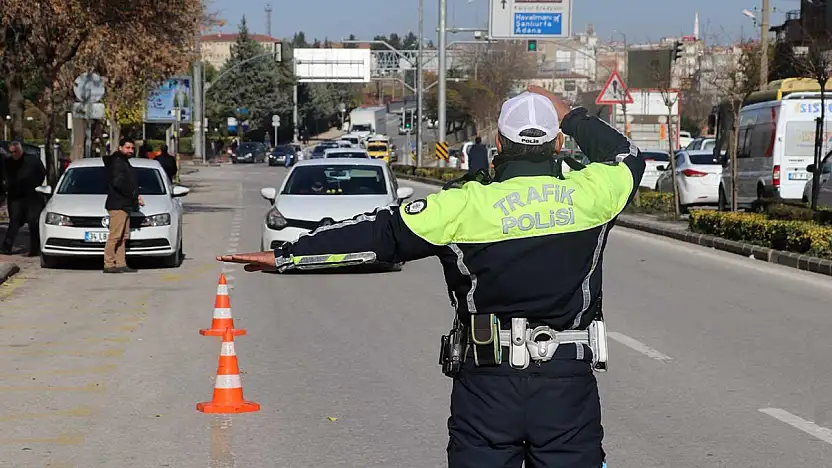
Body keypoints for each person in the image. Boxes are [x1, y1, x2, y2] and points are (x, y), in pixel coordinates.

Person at [217, 85, 646, 467]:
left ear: (498, 143)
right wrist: (571, 114)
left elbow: (379, 234)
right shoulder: (593, 193)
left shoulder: (460, 205)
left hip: (486, 387)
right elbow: (627, 155)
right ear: (558, 144)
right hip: (566, 387)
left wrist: (288, 255)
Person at [102, 137, 143, 274]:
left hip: (125, 204)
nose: (130, 150)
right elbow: (119, 183)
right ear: (120, 148)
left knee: (123, 236)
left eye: (132, 148)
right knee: (115, 236)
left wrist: (134, 196)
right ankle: (109, 263)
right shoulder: (118, 162)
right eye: (127, 148)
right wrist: (132, 194)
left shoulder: (123, 162)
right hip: (118, 204)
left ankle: (120, 263)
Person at [1, 141, 46, 256]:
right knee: (14, 221)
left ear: (20, 151)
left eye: (15, 152)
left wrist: (35, 184)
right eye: (11, 152)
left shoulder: (32, 160)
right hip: (15, 196)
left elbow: (41, 172)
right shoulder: (7, 162)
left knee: (33, 222)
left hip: (31, 195)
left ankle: (34, 249)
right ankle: (7, 247)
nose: (13, 154)